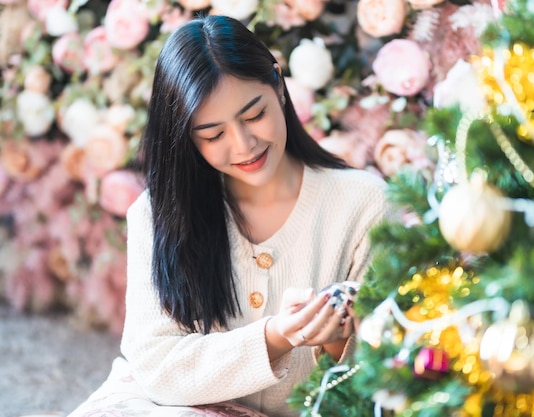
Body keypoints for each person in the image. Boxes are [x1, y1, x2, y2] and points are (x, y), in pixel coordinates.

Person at [68, 14, 390, 417]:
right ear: (186, 136)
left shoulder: (365, 204)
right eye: (213, 135)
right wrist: (274, 337)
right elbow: (154, 364)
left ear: (278, 84)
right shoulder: (158, 213)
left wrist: (334, 341)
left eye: (254, 115)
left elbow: (387, 375)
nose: (244, 145)